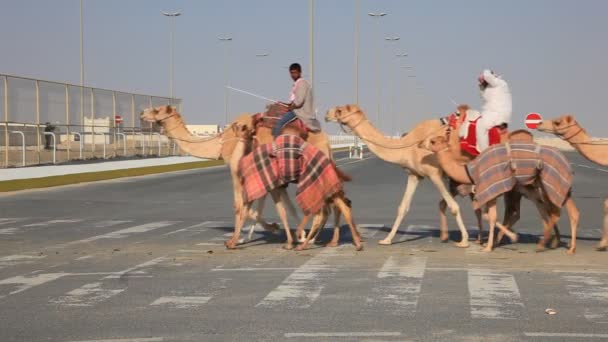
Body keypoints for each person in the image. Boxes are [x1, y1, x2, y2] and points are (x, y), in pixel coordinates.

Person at [272, 63, 321, 137]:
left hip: (300, 112)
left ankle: (276, 144)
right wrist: (286, 104)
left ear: (300, 72)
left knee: (280, 123)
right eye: (291, 73)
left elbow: (299, 102)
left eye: (295, 72)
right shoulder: (297, 84)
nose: (293, 75)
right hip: (297, 110)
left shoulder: (302, 84)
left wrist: (291, 107)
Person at [475, 69, 512, 151]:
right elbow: (483, 96)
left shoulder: (499, 83)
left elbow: (488, 76)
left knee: (480, 125)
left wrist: (486, 72)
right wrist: (481, 85)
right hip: (492, 113)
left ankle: (484, 151)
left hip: (497, 113)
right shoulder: (490, 88)